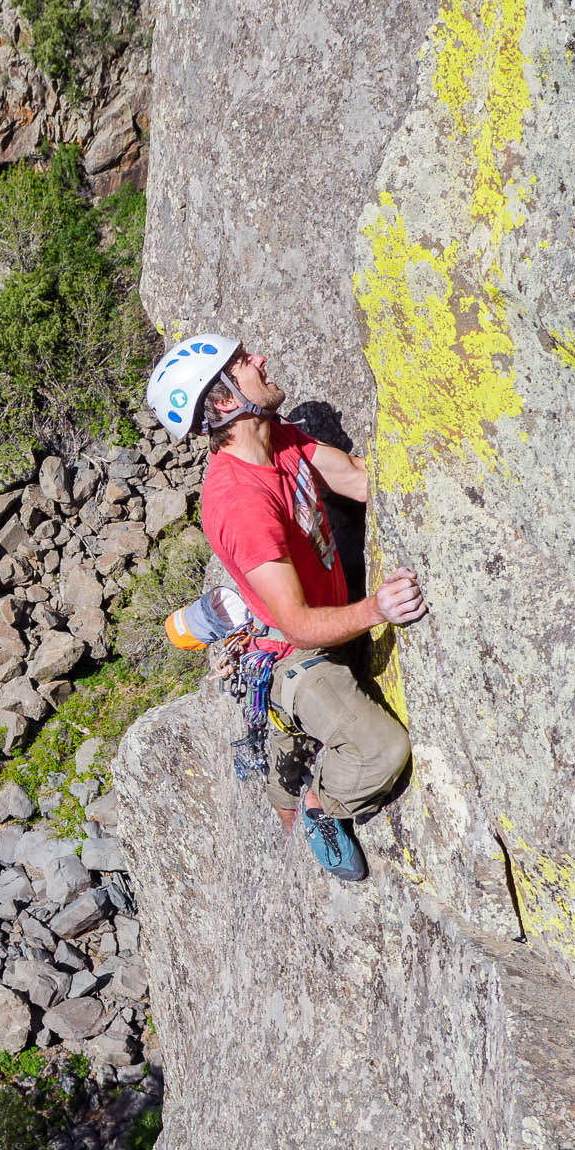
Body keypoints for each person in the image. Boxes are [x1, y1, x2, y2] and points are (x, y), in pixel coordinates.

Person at [145, 333, 426, 882]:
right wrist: (379, 608)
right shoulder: (239, 502)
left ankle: (288, 752)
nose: (260, 360)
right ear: (225, 400)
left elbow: (363, 480)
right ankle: (324, 805)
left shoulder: (278, 438)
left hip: (318, 627)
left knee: (290, 761)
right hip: (295, 651)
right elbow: (297, 624)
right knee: (380, 749)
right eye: (243, 363)